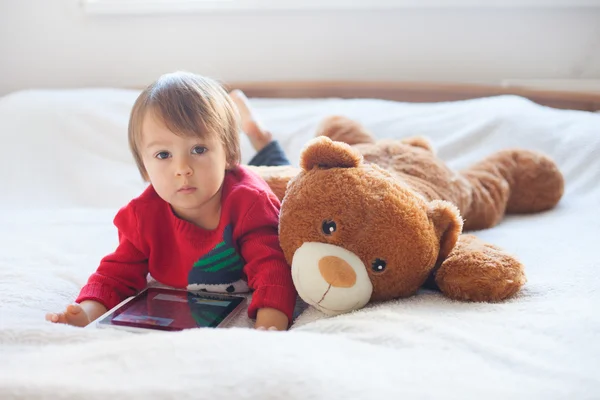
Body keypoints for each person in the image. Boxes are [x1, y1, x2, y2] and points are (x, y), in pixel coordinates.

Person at [46, 72, 296, 331]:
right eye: (163, 154)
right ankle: (253, 133)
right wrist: (86, 311)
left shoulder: (250, 204)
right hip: (224, 177)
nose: (182, 168)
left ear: (229, 154)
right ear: (144, 168)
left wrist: (270, 322)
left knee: (288, 175)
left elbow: (272, 269)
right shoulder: (143, 217)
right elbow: (114, 274)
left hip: (259, 182)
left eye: (198, 149)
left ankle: (259, 135)